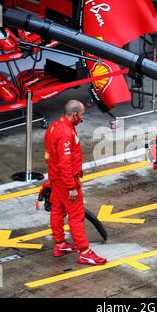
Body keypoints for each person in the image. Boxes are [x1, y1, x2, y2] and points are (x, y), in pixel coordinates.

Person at [44, 99, 107, 266]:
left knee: (57, 210)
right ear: (74, 114)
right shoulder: (65, 133)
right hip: (66, 181)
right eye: (81, 115)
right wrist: (71, 186)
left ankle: (60, 245)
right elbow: (65, 162)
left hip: (56, 180)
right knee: (76, 215)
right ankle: (85, 252)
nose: (82, 118)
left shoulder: (54, 126)